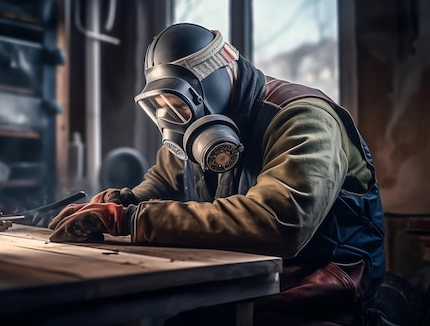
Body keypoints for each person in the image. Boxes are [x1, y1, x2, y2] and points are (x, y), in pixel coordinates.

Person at [48, 22, 386, 325]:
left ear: (213, 84)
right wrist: (121, 202)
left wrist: (130, 220)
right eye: (162, 106)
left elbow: (279, 222)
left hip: (312, 294)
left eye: (178, 103)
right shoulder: (193, 130)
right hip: (233, 288)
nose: (172, 118)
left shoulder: (303, 118)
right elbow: (162, 184)